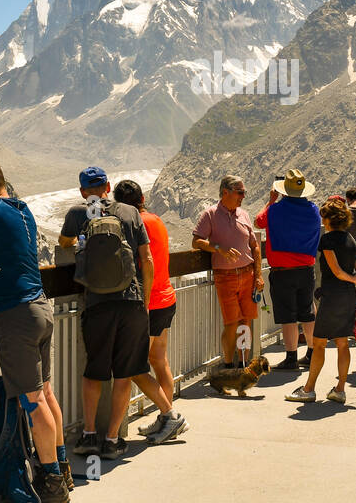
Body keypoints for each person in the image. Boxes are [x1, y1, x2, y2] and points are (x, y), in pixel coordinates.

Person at [0, 155, 69, 503]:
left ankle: (51, 482)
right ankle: (62, 467)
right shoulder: (23, 209)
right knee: (46, 394)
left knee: (32, 402)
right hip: (41, 308)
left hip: (15, 315)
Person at [61, 167, 187, 458]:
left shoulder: (77, 213)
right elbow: (146, 259)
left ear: (82, 191)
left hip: (97, 303)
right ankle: (112, 440)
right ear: (107, 186)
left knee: (94, 371)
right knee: (124, 373)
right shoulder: (130, 212)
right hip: (131, 302)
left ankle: (89, 435)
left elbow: (64, 243)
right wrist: (143, 302)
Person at [285, 198, 356, 404]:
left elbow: (337, 270)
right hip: (348, 297)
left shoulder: (327, 240)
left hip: (331, 297)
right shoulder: (352, 240)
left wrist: (350, 278)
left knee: (319, 344)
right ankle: (339, 390)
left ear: (328, 220)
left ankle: (309, 389)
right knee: (342, 344)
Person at [112, 179, 176, 435]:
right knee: (159, 361)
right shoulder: (156, 220)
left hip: (149, 302)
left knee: (133, 368)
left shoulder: (134, 224)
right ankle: (166, 419)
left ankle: (170, 415)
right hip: (166, 297)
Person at [193, 175, 263, 368]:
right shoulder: (210, 214)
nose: (243, 196)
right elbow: (196, 241)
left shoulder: (244, 214)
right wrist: (218, 248)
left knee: (245, 321)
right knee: (231, 323)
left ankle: (243, 365)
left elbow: (255, 247)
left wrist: (258, 275)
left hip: (248, 274)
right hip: (225, 276)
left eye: (244, 192)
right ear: (226, 192)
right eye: (240, 192)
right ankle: (229, 365)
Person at [255, 169, 322, 370]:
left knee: (288, 316)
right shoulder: (313, 210)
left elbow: (259, 221)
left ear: (283, 190)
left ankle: (291, 357)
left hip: (283, 271)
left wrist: (271, 200)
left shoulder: (275, 210)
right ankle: (312, 352)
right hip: (306, 269)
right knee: (308, 312)